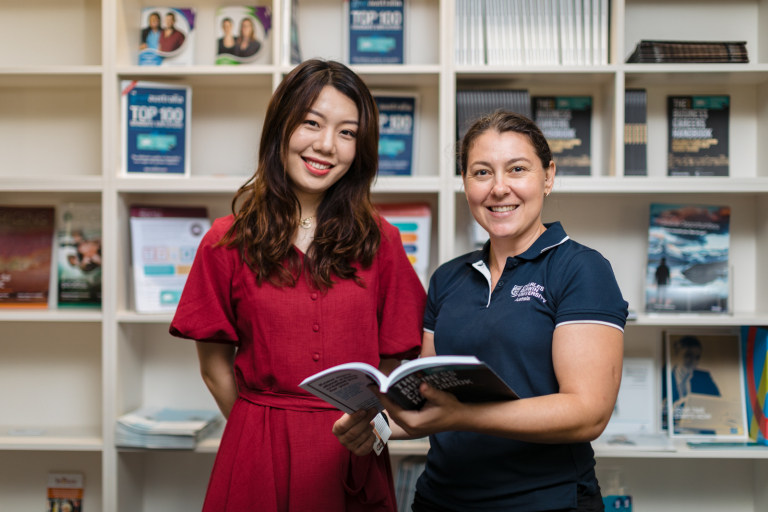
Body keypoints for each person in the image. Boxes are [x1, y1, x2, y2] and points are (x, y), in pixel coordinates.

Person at [335, 111, 628, 512]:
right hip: (440, 499)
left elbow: (588, 413)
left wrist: (462, 415)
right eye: (481, 172)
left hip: (545, 502)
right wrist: (375, 428)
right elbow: (427, 403)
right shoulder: (447, 279)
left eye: (517, 169)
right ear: (465, 183)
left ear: (548, 176)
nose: (499, 188)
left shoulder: (581, 269)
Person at [170, 59, 426, 512]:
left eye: (347, 133)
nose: (327, 146)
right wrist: (262, 433)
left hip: (353, 449)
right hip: (256, 450)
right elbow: (214, 369)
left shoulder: (380, 240)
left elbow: (392, 363)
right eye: (312, 123)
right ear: (281, 126)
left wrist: (371, 429)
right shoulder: (225, 240)